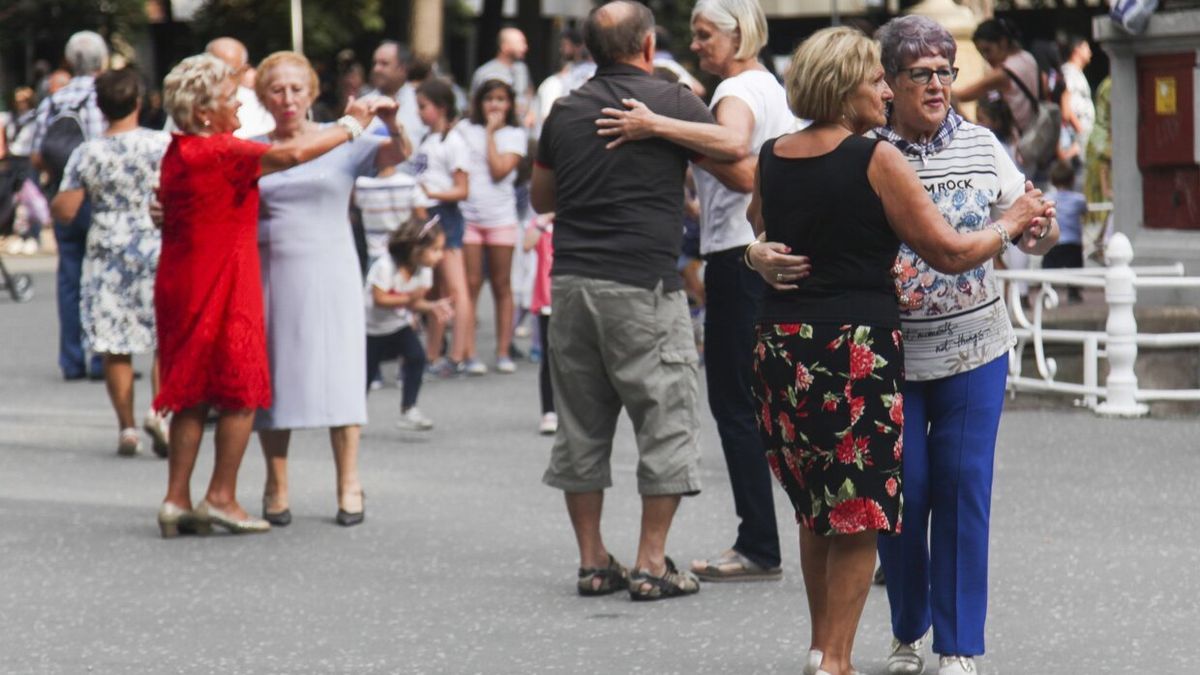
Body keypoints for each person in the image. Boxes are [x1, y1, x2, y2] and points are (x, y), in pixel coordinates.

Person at [751, 17, 1058, 675]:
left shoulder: (979, 144)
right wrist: (755, 252)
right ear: (875, 81)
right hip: (874, 354)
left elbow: (1028, 222)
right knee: (887, 501)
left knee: (934, 493)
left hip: (945, 345)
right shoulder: (872, 150)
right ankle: (879, 640)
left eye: (946, 70)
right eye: (917, 73)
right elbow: (948, 249)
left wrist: (1030, 227)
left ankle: (952, 645)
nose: (934, 84)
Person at [532, 0, 752, 602]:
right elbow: (738, 164)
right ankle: (652, 561)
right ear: (649, 46)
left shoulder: (564, 109)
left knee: (580, 423)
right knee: (666, 419)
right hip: (644, 284)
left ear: (587, 50)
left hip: (572, 283)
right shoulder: (671, 101)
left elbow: (540, 197)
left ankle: (593, 561)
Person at [595, 0, 795, 584]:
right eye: (695, 35)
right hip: (752, 250)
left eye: (706, 35)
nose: (698, 43)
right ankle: (865, 538)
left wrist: (655, 126)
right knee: (779, 406)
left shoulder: (737, 92)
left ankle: (759, 543)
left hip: (740, 255)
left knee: (736, 404)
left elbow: (739, 158)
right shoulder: (764, 87)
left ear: (738, 36)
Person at [153, 53, 379, 538]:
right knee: (240, 391)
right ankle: (221, 498)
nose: (237, 102)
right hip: (225, 283)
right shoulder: (222, 151)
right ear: (203, 112)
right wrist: (351, 125)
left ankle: (176, 499)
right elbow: (292, 157)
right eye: (227, 98)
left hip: (181, 283)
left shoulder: (178, 152)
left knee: (192, 394)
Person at [251, 51, 409, 528]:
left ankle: (349, 480)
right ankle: (276, 481)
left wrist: (393, 123)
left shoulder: (342, 138)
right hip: (273, 267)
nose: (288, 98)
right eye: (277, 89)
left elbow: (398, 156)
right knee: (275, 374)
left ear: (312, 93)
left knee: (340, 370)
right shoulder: (253, 146)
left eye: (297, 89)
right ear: (263, 96)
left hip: (333, 265)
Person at [50, 68, 170, 458]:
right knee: (162, 338)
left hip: (107, 249)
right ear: (138, 102)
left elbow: (66, 210)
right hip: (156, 244)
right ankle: (160, 411)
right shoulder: (163, 144)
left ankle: (127, 427)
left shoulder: (88, 151)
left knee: (115, 344)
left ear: (100, 107)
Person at [31, 30, 108, 381]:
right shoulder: (105, 96)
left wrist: (57, 179)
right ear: (102, 61)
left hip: (64, 196)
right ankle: (102, 357)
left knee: (69, 277)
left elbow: (36, 153)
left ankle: (71, 358)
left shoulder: (54, 100)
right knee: (100, 275)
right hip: (98, 199)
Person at [458, 80, 527, 375]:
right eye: (489, 99)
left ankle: (503, 350)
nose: (495, 105)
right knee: (471, 284)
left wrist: (489, 135)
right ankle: (469, 351)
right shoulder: (463, 130)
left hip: (501, 218)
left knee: (502, 285)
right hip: (469, 217)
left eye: (501, 99)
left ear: (510, 104)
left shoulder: (515, 135)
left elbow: (500, 171)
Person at [365, 217, 453, 434]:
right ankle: (354, 416)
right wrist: (409, 299)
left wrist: (432, 306)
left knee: (416, 356)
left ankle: (409, 409)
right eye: (435, 250)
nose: (440, 255)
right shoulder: (385, 266)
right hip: (369, 329)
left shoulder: (425, 272)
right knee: (364, 376)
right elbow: (380, 299)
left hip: (396, 325)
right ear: (415, 249)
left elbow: (414, 301)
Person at [412, 78, 472, 377]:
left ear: (441, 107)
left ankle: (458, 354)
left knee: (455, 287)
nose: (420, 112)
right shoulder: (428, 139)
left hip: (444, 215)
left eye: (424, 107)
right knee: (435, 288)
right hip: (427, 215)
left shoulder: (454, 142)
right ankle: (432, 354)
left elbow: (462, 189)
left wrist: (432, 193)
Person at [954, 19, 1040, 145]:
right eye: (982, 53)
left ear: (1003, 43)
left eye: (988, 50)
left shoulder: (1004, 73)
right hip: (1033, 136)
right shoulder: (1027, 58)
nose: (986, 58)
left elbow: (962, 95)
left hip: (1017, 144)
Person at [4, 87, 48, 256]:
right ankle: (18, 234)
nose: (20, 103)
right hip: (13, 159)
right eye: (18, 100)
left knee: (31, 198)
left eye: (23, 100)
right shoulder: (11, 117)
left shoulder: (35, 118)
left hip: (28, 160)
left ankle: (34, 235)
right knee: (14, 199)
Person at [1042, 160, 1087, 302]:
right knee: (1075, 269)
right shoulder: (1079, 199)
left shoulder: (1047, 198)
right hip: (1073, 242)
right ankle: (1074, 293)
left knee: (1048, 268)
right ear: (1072, 179)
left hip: (1052, 241)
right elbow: (1085, 212)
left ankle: (1047, 293)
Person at [366, 41, 425, 148]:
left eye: (384, 64)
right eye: (374, 63)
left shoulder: (420, 102)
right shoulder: (362, 104)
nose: (376, 69)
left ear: (403, 68)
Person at [470, 27, 535, 124]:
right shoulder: (484, 72)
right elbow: (474, 103)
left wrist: (531, 112)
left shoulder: (522, 69)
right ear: (505, 46)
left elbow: (529, 92)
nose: (525, 47)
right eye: (520, 43)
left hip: (519, 130)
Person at [1083, 76, 1112, 262]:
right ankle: (1100, 244)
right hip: (1104, 145)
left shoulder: (1107, 83)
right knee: (1104, 200)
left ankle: (1100, 243)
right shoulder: (1112, 85)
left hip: (1100, 143)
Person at [1059, 36, 1094, 180]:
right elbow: (1066, 106)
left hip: (1081, 134)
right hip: (1075, 135)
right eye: (1087, 48)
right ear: (1077, 50)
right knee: (1078, 178)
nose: (1090, 52)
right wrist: (1080, 130)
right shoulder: (1069, 72)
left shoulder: (1077, 73)